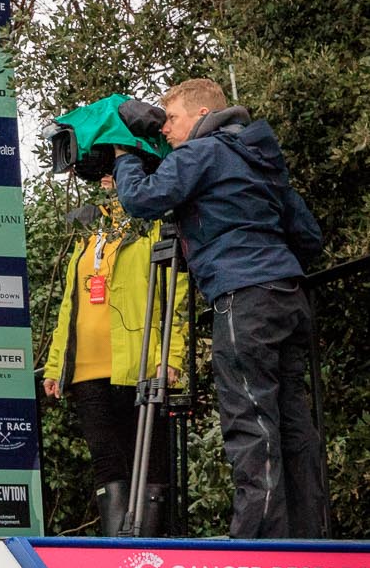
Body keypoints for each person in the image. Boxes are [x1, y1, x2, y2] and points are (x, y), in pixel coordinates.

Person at [113, 78, 326, 538]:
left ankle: (258, 543)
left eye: (172, 118)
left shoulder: (201, 152)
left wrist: (125, 157)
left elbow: (141, 199)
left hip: (242, 296)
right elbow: (309, 236)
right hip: (288, 296)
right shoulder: (261, 158)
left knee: (251, 418)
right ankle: (311, 540)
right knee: (293, 423)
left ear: (201, 115)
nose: (165, 128)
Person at [43, 174, 187, 534]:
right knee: (106, 462)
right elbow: (69, 304)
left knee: (149, 462)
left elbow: (177, 296)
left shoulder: (154, 223)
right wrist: (56, 364)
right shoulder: (88, 228)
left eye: (116, 167)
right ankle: (116, 552)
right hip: (86, 370)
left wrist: (170, 355)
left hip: (139, 365)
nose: (107, 176)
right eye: (103, 170)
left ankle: (147, 551)